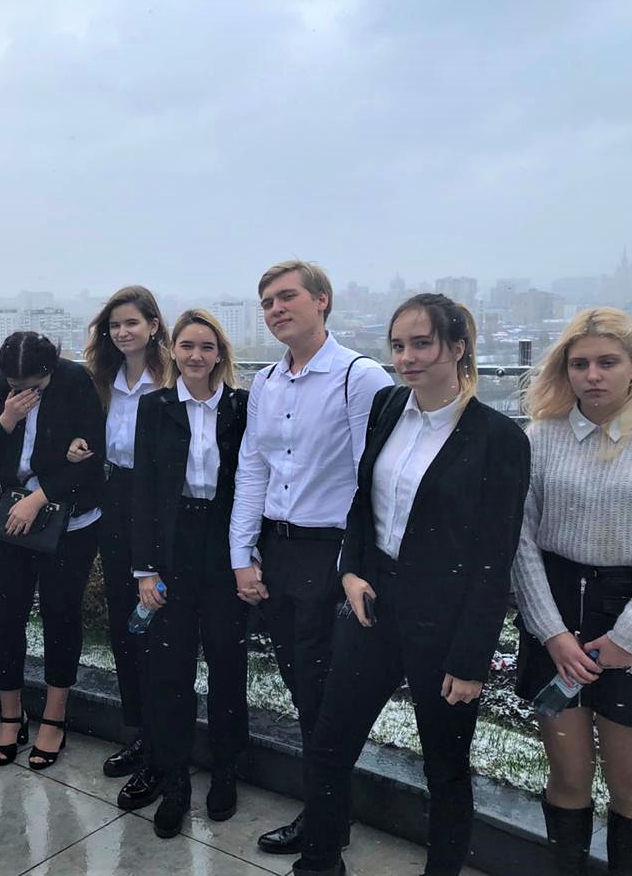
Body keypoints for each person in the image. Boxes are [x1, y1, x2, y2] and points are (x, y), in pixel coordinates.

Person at [289, 293, 530, 876]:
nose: (406, 358)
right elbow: (362, 498)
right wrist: (350, 570)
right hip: (373, 606)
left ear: (459, 347)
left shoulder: (499, 439)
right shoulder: (389, 405)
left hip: (443, 621)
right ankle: (318, 862)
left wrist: (471, 659)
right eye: (398, 345)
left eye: (422, 344)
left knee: (444, 768)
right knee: (329, 743)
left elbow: (494, 558)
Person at [512, 308, 632, 876]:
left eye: (607, 362)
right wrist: (551, 633)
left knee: (629, 783)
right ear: (564, 370)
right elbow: (520, 542)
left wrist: (629, 636)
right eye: (579, 364)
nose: (592, 375)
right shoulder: (539, 437)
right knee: (568, 776)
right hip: (556, 612)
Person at [230, 260, 392, 855]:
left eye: (287, 296)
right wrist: (241, 554)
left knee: (327, 695)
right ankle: (327, 814)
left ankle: (325, 823)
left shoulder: (359, 377)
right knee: (303, 688)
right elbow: (253, 468)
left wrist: (354, 566)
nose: (275, 309)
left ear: (322, 300)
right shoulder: (267, 383)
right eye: (267, 301)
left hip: (334, 555)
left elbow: (371, 480)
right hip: (278, 551)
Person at [132, 310, 249, 838]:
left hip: (225, 544)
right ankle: (175, 778)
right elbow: (143, 490)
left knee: (227, 662)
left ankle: (226, 769)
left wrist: (249, 556)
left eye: (206, 347)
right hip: (172, 547)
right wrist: (145, 569)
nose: (196, 356)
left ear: (220, 354)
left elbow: (255, 480)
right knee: (170, 668)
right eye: (187, 346)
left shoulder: (240, 408)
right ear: (173, 351)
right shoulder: (155, 407)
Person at [0, 331, 105, 770]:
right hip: (10, 519)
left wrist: (41, 495)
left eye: (34, 385)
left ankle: (54, 716)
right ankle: (11, 714)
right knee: (2, 615)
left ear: (51, 369)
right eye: (16, 384)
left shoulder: (74, 380)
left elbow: (93, 460)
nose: (25, 390)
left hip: (69, 521)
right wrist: (7, 418)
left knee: (60, 615)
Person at [68, 285, 171, 806]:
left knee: (161, 625)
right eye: (114, 326)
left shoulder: (173, 377)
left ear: (153, 325)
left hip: (162, 505)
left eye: (132, 323)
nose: (123, 332)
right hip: (115, 498)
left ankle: (165, 746)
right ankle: (141, 733)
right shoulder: (104, 380)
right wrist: (77, 447)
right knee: (123, 620)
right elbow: (88, 434)